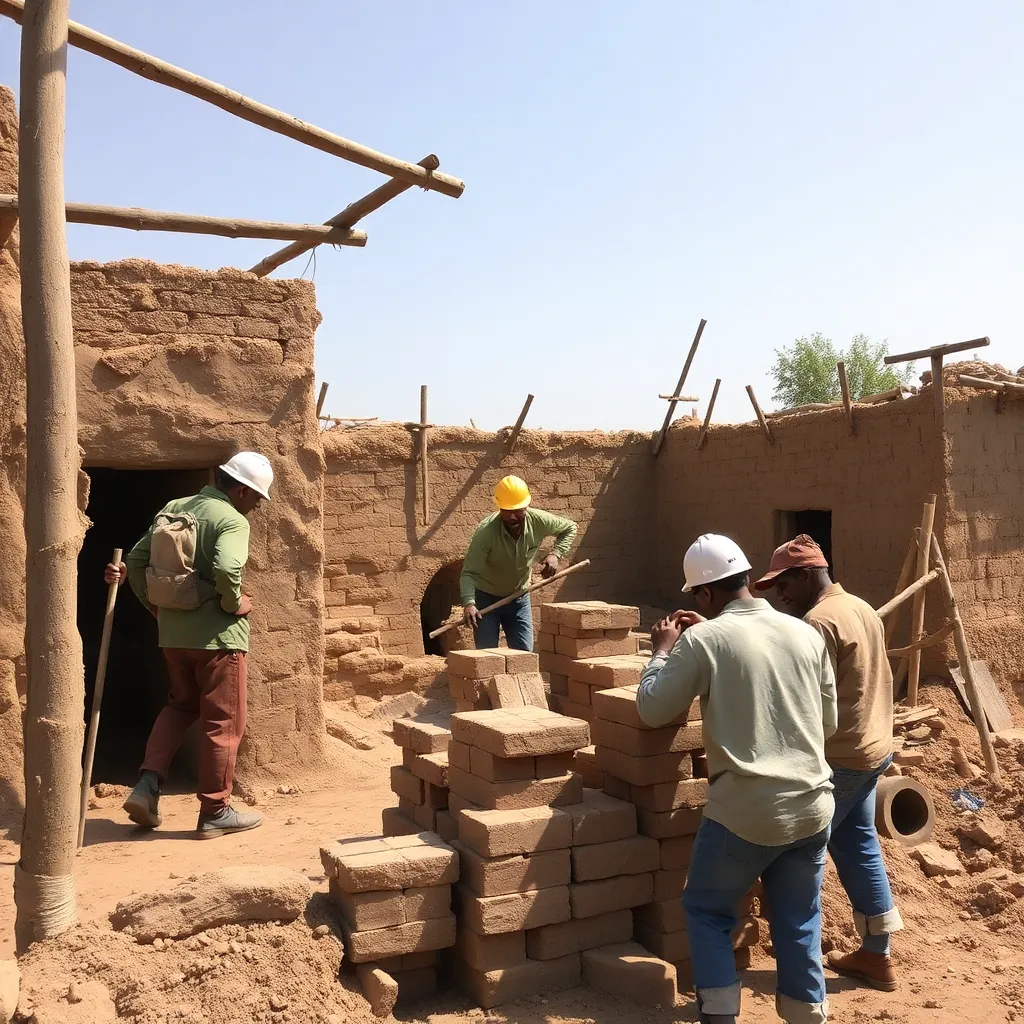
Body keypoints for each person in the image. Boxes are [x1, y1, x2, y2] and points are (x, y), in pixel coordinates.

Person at [637, 534, 837, 1024]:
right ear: (746, 579)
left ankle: (721, 1015)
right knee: (798, 919)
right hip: (812, 806)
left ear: (704, 595)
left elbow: (653, 708)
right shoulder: (804, 632)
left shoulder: (704, 640)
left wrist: (663, 651)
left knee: (706, 909)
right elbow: (827, 722)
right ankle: (807, 1014)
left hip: (745, 814)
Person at [755, 535, 901, 992]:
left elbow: (803, 705)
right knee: (857, 844)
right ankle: (876, 957)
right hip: (875, 750)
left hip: (840, 760)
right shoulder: (859, 605)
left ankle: (803, 973)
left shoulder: (817, 622)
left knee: (799, 858)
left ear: (806, 574)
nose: (779, 595)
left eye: (783, 584)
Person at [104, 452, 273, 840]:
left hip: (174, 636)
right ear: (243, 490)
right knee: (224, 721)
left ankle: (147, 786)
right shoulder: (231, 519)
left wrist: (158, 611)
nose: (256, 508)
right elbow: (228, 567)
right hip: (218, 640)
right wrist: (233, 604)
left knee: (180, 705)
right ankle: (216, 809)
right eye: (257, 499)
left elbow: (137, 558)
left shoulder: (176, 507)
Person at [459, 475, 577, 651]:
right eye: (507, 511)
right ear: (499, 508)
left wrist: (555, 554)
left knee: (524, 654)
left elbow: (570, 527)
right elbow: (469, 573)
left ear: (526, 506)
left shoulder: (538, 521)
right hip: (487, 600)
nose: (513, 516)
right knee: (486, 657)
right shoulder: (486, 533)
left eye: (518, 510)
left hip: (519, 598)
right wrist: (469, 603)